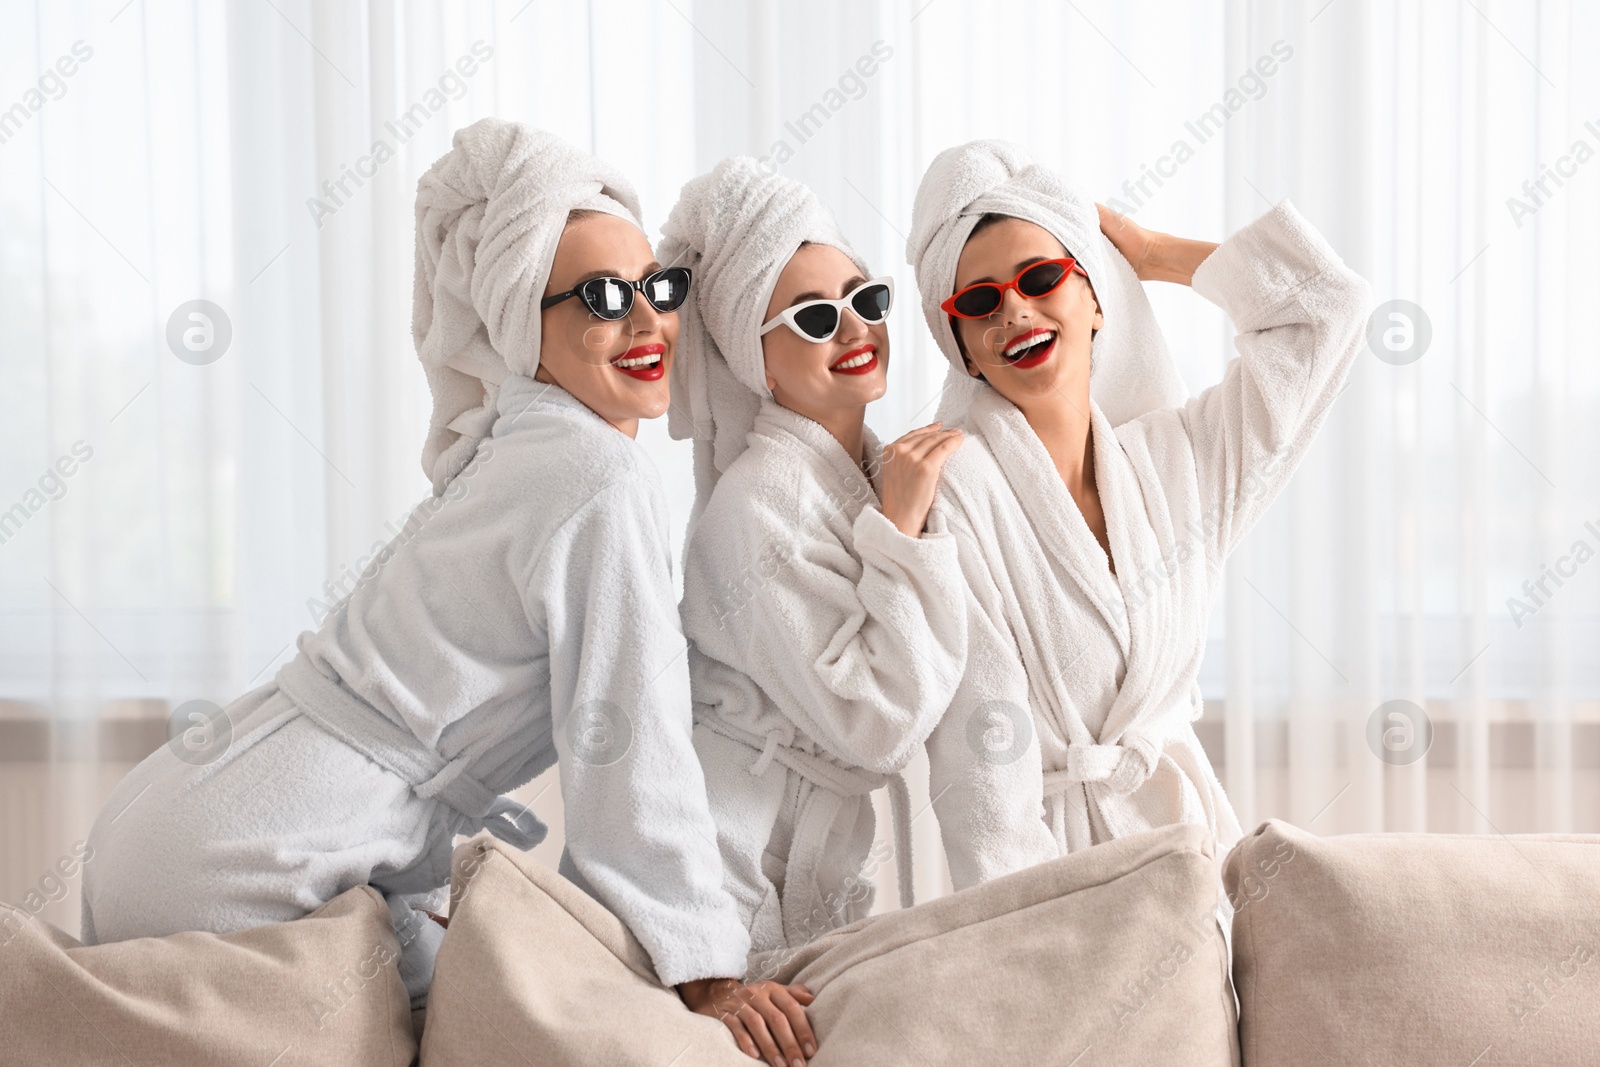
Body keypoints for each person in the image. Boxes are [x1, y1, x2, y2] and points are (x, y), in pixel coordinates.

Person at [79, 119, 815, 1066]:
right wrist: (707, 971)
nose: (647, 323)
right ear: (523, 320)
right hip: (248, 860)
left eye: (657, 287)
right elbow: (632, 737)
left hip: (179, 820)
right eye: (601, 297)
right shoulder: (596, 472)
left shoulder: (517, 439)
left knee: (465, 996)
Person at [907, 140, 1372, 913]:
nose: (1014, 309)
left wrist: (1152, 254)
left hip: (1194, 872)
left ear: (1095, 300)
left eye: (1042, 277)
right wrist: (1034, 945)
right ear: (962, 346)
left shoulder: (1177, 461)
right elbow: (981, 762)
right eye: (979, 301)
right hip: (1056, 892)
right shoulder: (955, 496)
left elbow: (1326, 305)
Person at [660, 157, 966, 980]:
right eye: (813, 317)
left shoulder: (867, 468)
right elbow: (874, 722)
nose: (855, 328)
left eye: (866, 300)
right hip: (730, 866)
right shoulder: (754, 508)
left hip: (809, 853)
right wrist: (901, 535)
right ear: (753, 358)